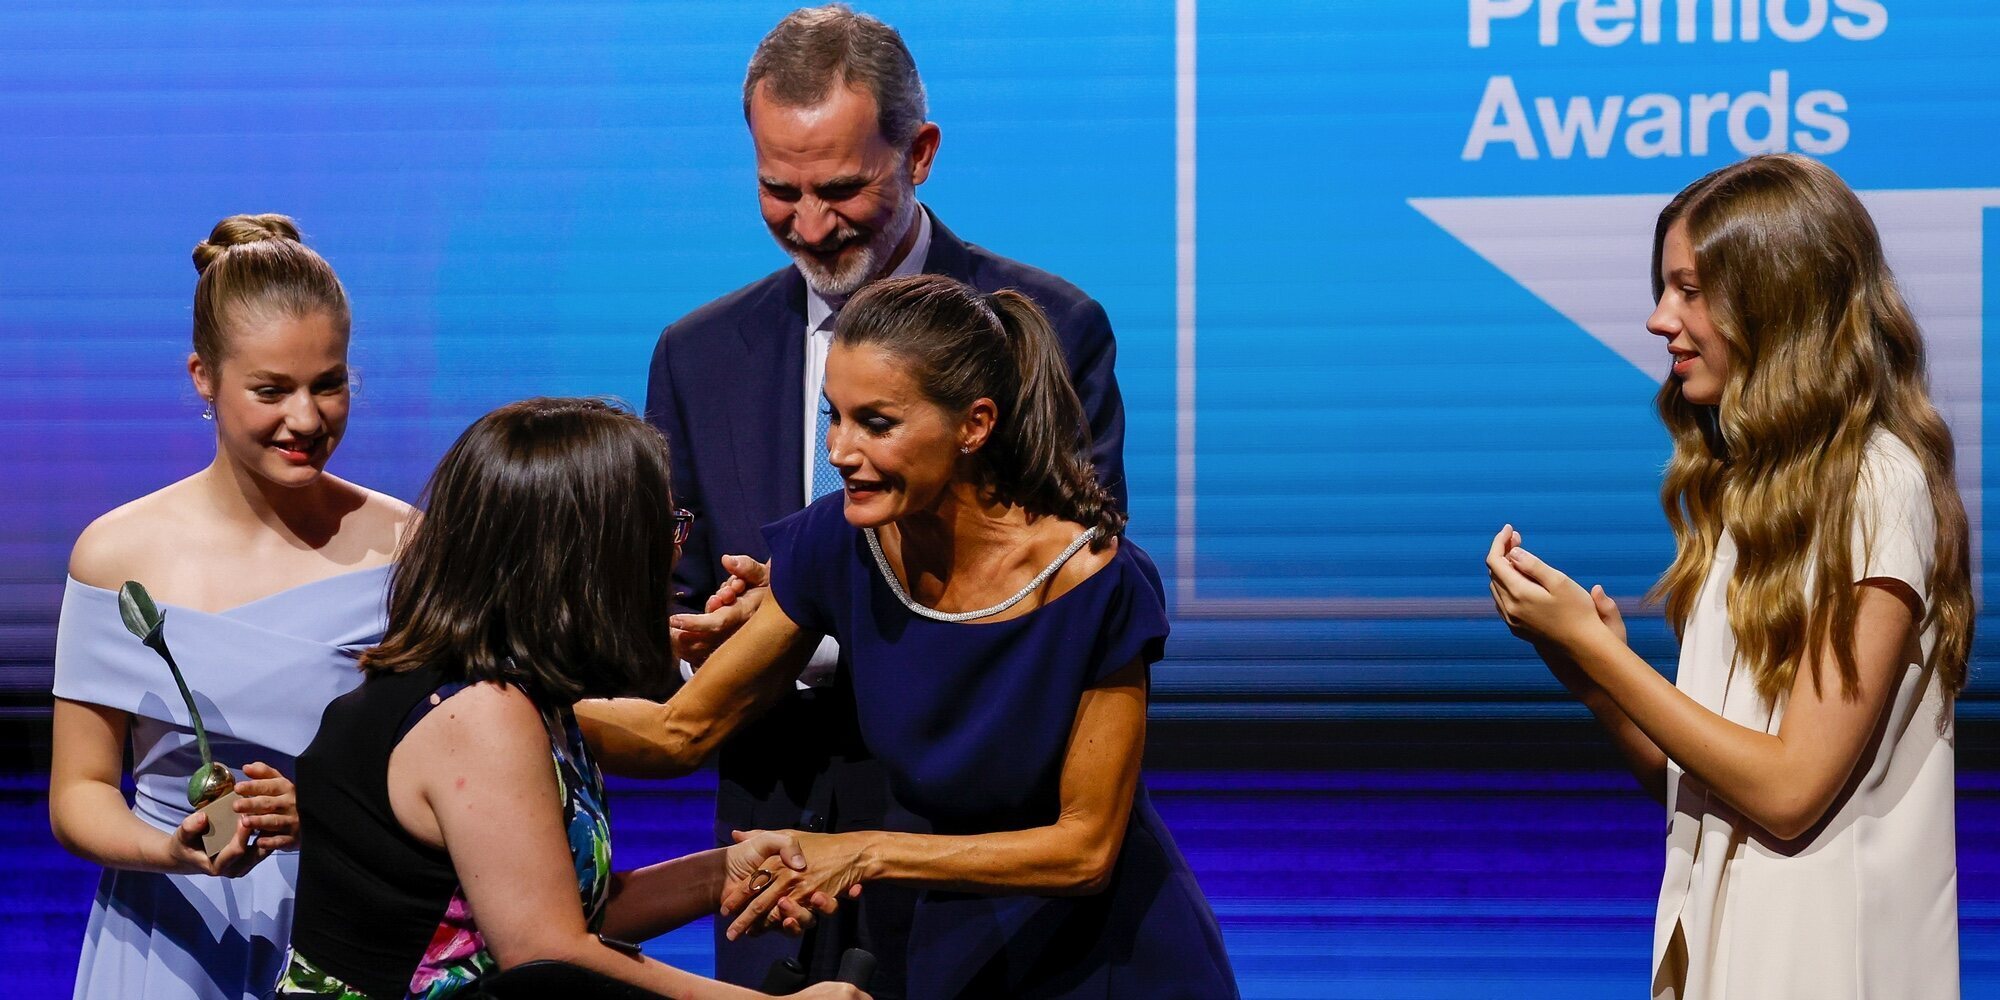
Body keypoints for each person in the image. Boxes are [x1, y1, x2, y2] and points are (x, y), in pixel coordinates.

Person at [623, 6, 1128, 993]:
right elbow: (666, 609)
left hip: (978, 848)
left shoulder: (1049, 331)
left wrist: (814, 605)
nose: (810, 226)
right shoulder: (695, 355)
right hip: (769, 841)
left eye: (843, 188)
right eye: (779, 190)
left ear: (920, 154)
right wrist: (691, 630)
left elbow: (1074, 596)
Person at [586, 276, 1235, 999]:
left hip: (1109, 961)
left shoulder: (1096, 583)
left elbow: (1083, 850)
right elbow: (681, 729)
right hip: (951, 949)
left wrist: (861, 854)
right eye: (836, 417)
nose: (838, 451)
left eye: (877, 423)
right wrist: (491, 704)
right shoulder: (838, 543)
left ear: (975, 425)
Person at [1485, 154, 1969, 1000]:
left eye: (1689, 290)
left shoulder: (1877, 486)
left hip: (1823, 966)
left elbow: (1788, 790)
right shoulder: (1751, 495)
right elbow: (1704, 784)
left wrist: (1608, 663)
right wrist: (1590, 672)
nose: (1657, 318)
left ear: (1775, 298)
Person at [277, 398, 862, 1000]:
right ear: (592, 556)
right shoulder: (481, 715)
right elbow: (545, 952)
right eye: (665, 529)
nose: (676, 552)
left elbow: (554, 909)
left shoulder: (520, 692)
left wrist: (721, 873)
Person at [48, 214, 412, 999]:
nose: (307, 421)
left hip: (352, 931)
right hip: (168, 936)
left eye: (330, 385)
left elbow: (445, 773)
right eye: (272, 391)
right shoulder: (117, 557)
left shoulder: (406, 548)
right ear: (202, 377)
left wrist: (328, 817)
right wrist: (175, 851)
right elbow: (78, 792)